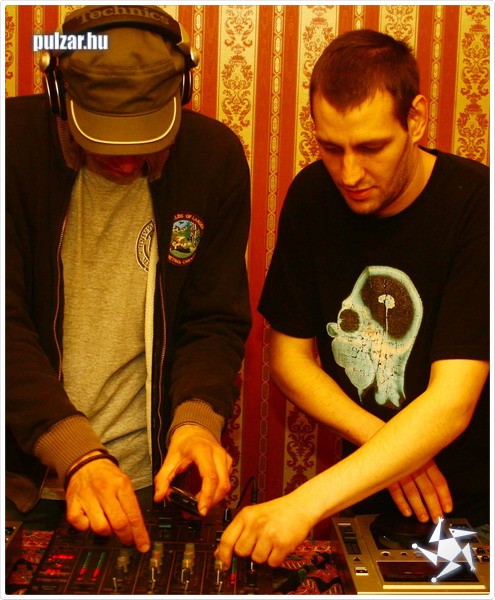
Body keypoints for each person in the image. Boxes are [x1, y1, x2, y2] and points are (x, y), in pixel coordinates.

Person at [215, 29, 489, 568]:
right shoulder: (313, 195)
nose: (349, 173)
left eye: (371, 147)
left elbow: (452, 401)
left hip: (473, 504)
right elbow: (288, 359)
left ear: (416, 119)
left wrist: (302, 504)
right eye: (330, 147)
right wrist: (388, 447)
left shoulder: (477, 204)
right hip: (368, 496)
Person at [5, 5, 251, 553]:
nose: (124, 161)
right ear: (58, 98)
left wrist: (195, 422)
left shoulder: (214, 159)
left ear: (181, 96)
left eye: (145, 139)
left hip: (146, 482)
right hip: (18, 483)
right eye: (104, 139)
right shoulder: (9, 149)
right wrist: (76, 453)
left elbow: (213, 321)